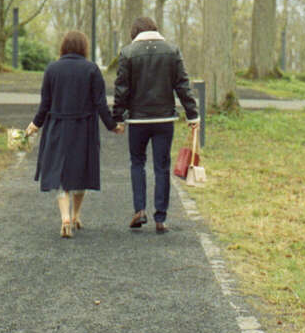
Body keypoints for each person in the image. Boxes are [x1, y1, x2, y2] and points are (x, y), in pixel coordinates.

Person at [26, 30, 124, 237]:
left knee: (60, 173)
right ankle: (77, 214)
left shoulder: (52, 69)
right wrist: (112, 125)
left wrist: (35, 124)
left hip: (57, 126)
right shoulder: (91, 69)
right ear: (83, 48)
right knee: (81, 171)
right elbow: (100, 103)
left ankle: (65, 217)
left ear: (63, 46)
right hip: (84, 128)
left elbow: (45, 103)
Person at [112, 15, 199, 234]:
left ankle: (139, 210)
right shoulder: (171, 51)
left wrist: (118, 117)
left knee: (137, 163)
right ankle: (161, 217)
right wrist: (192, 115)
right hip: (164, 119)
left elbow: (122, 89)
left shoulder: (127, 53)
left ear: (135, 34)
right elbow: (182, 85)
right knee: (162, 166)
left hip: (138, 119)